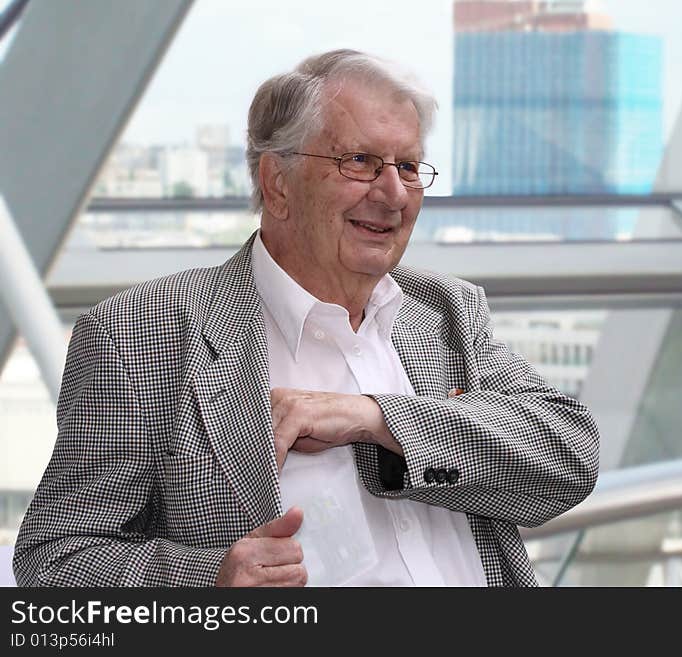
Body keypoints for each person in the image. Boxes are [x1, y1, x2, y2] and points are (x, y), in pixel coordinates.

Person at [14, 49, 599, 587]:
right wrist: (210, 580)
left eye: (410, 167)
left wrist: (380, 420)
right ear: (278, 183)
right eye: (362, 162)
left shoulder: (448, 311)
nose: (394, 194)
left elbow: (571, 458)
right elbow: (53, 559)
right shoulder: (142, 333)